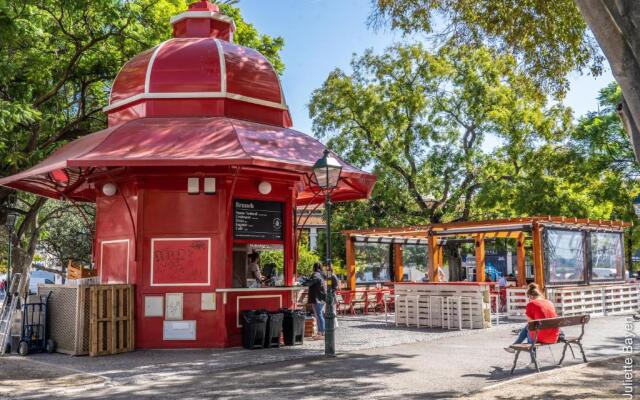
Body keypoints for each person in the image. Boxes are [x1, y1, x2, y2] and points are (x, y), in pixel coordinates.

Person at [504, 283, 559, 360]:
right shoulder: (549, 302)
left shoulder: (531, 304)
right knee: (529, 328)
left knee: (528, 328)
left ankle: (532, 359)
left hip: (541, 337)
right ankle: (514, 346)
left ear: (530, 296)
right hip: (553, 336)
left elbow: (530, 324)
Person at [304, 262, 326, 339]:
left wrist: (304, 282)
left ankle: (322, 332)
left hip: (318, 298)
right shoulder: (321, 274)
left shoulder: (316, 274)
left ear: (314, 267)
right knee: (319, 315)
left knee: (319, 315)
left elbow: (311, 282)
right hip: (321, 298)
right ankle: (321, 332)